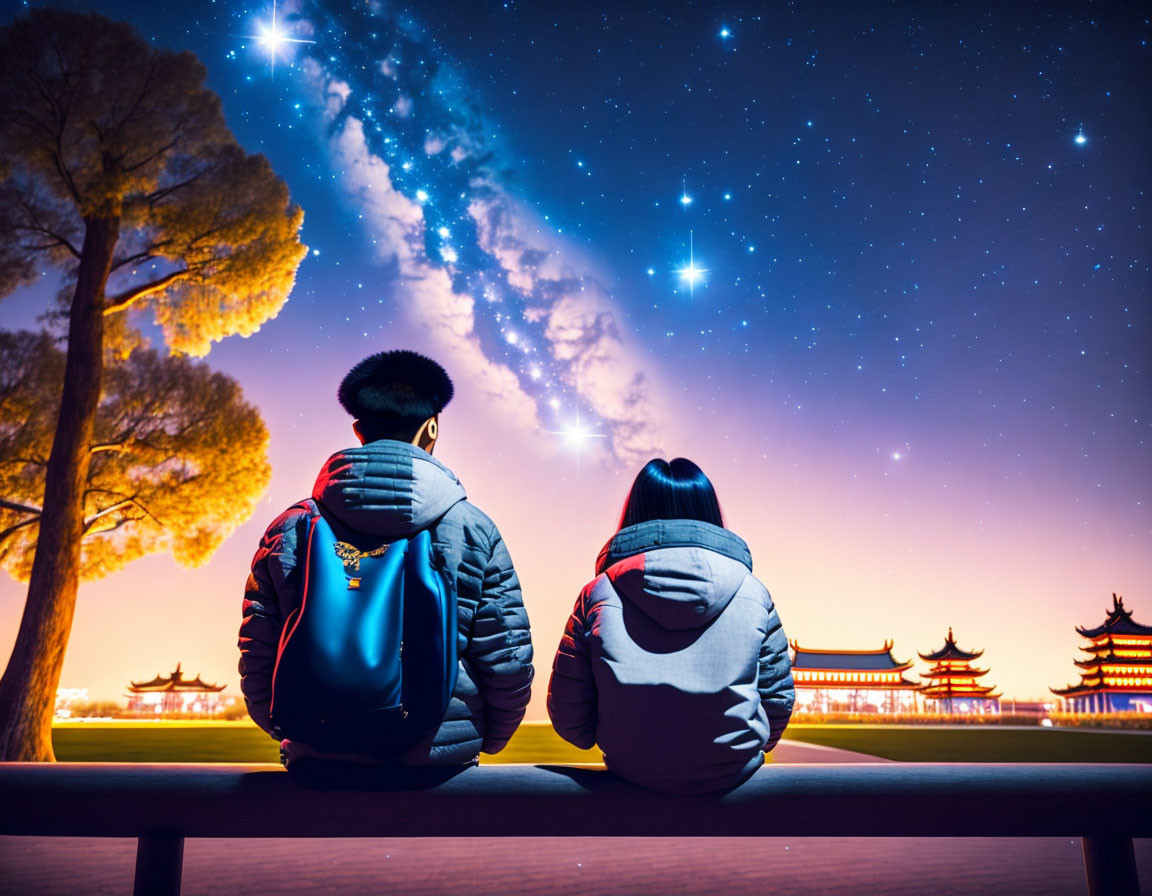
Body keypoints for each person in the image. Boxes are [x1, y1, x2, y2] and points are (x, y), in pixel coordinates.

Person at [238, 350, 533, 781]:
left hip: (318, 757)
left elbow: (258, 650)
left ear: (358, 430)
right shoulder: (473, 528)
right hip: (435, 764)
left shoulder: (291, 528)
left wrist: (294, 730)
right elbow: (506, 659)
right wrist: (477, 738)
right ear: (431, 427)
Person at [547, 457, 794, 794]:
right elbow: (777, 702)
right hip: (734, 781)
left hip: (628, 776)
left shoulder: (597, 593)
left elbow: (569, 713)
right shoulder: (753, 592)